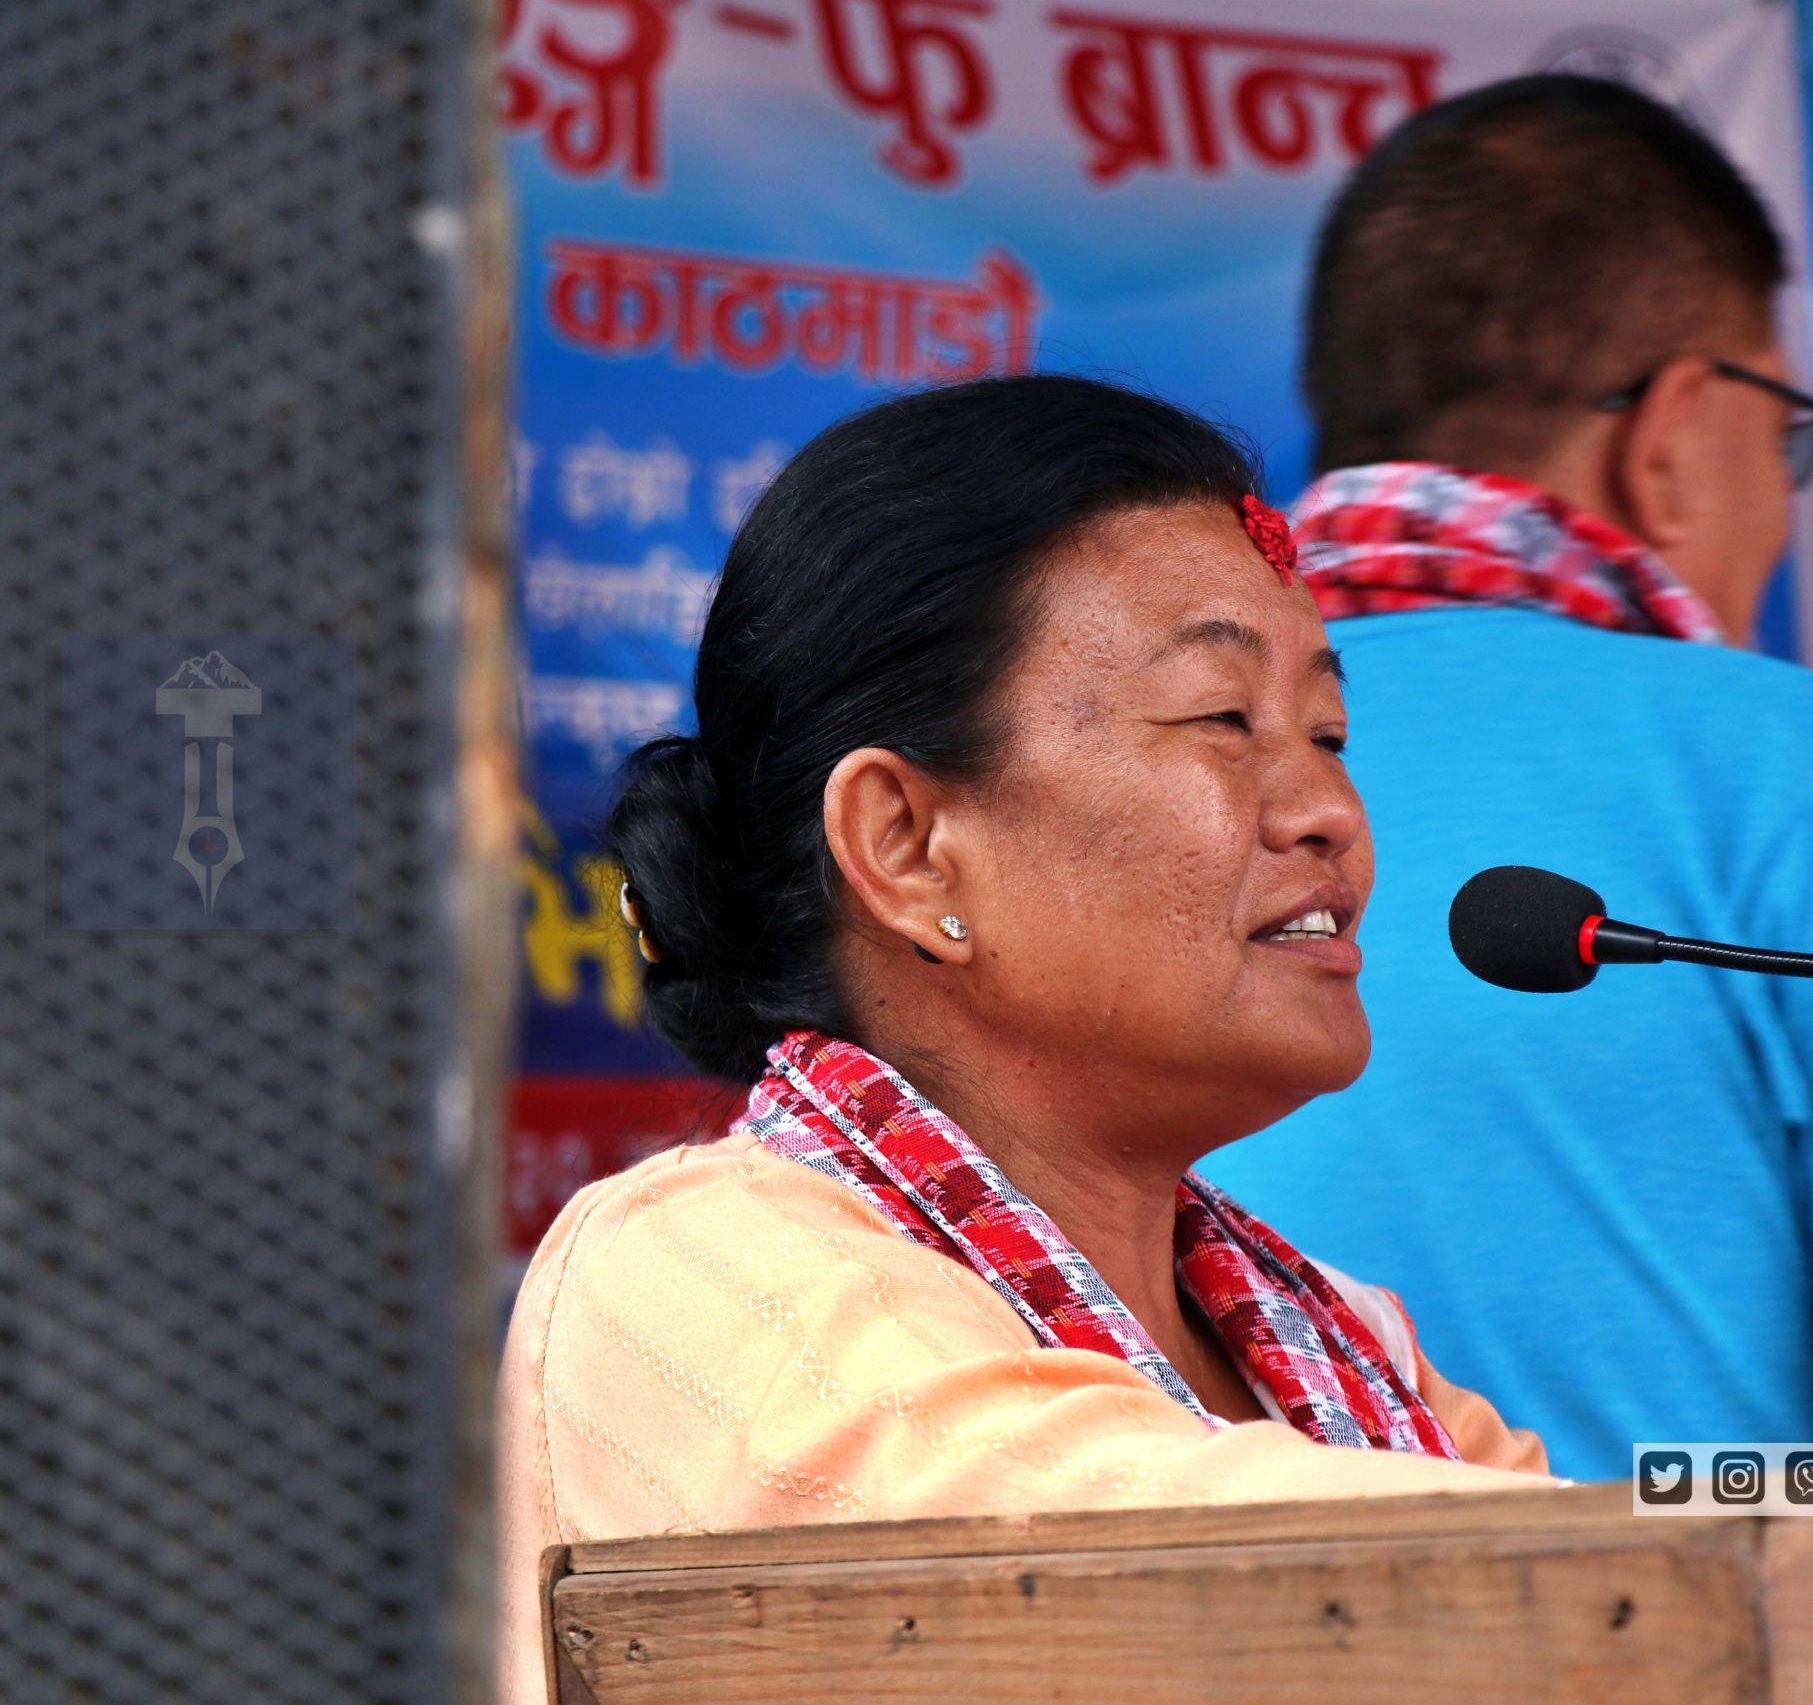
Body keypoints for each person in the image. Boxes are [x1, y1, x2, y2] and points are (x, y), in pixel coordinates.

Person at [494, 376, 1551, 1703]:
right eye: (1224, 718)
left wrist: (1793, 1498)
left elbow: (1614, 1550)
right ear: (907, 845)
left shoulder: (1345, 1339)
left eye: (1328, 733)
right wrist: (1782, 1519)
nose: (1330, 809)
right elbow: (1155, 1569)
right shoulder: (688, 1270)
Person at [1204, 74, 1813, 1477]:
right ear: (1670, 437)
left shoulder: (1132, 777)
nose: (1784, 500)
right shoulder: (1791, 764)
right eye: (1786, 434)